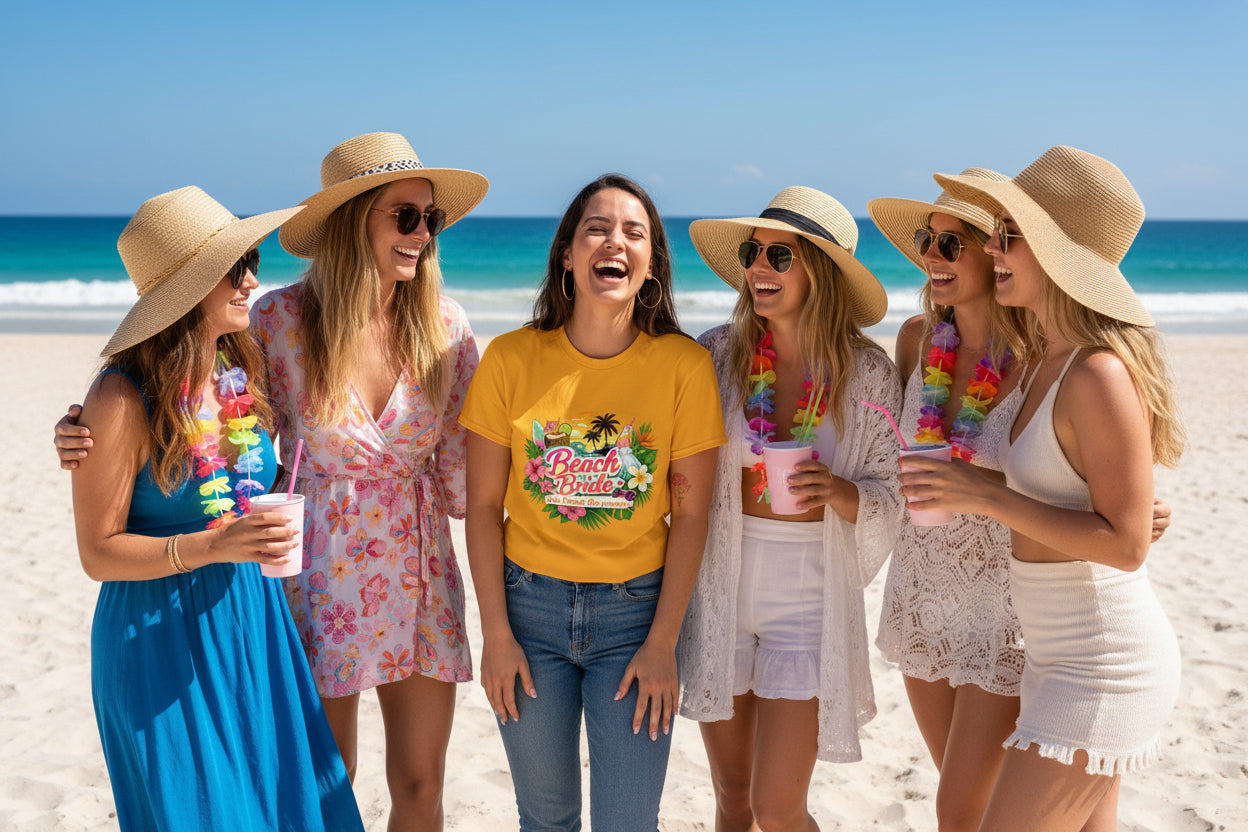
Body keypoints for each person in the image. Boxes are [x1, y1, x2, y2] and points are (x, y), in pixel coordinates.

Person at [58, 133, 487, 832]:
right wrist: (83, 429)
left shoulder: (446, 327)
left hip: (417, 571)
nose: (423, 234)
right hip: (315, 571)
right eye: (404, 216)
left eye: (430, 219)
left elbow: (470, 473)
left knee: (419, 785)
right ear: (354, 222)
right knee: (319, 784)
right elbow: (182, 392)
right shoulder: (276, 323)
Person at [902, 146, 1186, 832]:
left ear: (1056, 254)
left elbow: (1124, 547)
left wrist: (984, 494)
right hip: (1051, 655)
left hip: (1103, 663)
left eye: (1008, 237)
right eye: (994, 236)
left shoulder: (1096, 373)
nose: (995, 251)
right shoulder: (1044, 364)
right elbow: (1082, 495)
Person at [70, 186, 363, 831]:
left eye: (252, 259)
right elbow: (97, 552)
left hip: (250, 620)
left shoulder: (239, 370)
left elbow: (250, 483)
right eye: (234, 268)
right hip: (158, 633)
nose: (251, 279)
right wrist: (210, 545)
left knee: (281, 809)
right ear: (187, 287)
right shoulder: (120, 398)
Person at [459, 174, 726, 832]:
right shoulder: (509, 360)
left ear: (652, 265)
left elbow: (691, 514)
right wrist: (495, 634)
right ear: (568, 257)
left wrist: (663, 642)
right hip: (528, 614)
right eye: (597, 229)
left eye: (634, 232)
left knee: (628, 824)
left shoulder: (683, 368)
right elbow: (484, 505)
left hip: (636, 620)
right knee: (545, 821)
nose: (615, 241)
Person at [678, 186, 904, 832]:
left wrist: (841, 493)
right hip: (722, 588)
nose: (758, 269)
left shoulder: (865, 373)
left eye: (780, 256)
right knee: (731, 797)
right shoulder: (717, 354)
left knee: (777, 810)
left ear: (821, 273)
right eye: (753, 252)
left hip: (808, 601)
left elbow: (896, 492)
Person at [868, 171, 1030, 830]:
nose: (932, 256)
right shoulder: (914, 340)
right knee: (978, 804)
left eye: (950, 244)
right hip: (920, 595)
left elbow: (1071, 469)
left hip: (1002, 608)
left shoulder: (1038, 355)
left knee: (959, 811)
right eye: (926, 241)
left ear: (995, 254)